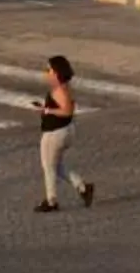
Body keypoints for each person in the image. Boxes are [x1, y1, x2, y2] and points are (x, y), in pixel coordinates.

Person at [27, 54, 94, 213]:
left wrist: (47, 110)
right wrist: (45, 107)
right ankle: (83, 187)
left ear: (56, 72)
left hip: (55, 133)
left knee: (48, 167)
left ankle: (51, 201)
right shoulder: (63, 88)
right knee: (57, 166)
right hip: (65, 131)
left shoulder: (60, 90)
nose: (46, 72)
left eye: (49, 69)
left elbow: (67, 111)